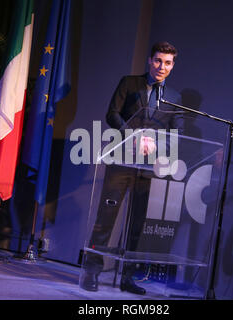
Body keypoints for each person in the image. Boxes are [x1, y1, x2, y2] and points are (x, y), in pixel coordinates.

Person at [80, 41, 184, 295]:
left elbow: (175, 132)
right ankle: (92, 272)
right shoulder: (129, 83)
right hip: (121, 160)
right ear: (150, 61)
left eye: (167, 63)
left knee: (137, 225)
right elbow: (111, 114)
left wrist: (158, 146)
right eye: (158, 61)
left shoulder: (175, 98)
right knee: (106, 220)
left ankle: (128, 277)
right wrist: (134, 136)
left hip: (148, 167)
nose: (162, 67)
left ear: (173, 65)